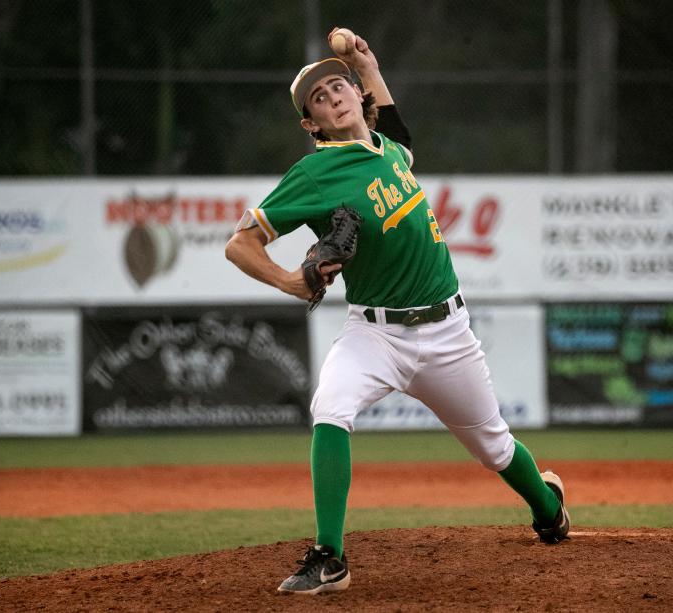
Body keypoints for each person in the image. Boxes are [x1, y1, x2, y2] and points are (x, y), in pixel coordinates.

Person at [225, 28, 569, 596]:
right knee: (331, 407)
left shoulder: (392, 152)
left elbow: (395, 127)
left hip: (448, 331)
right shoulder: (315, 174)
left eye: (339, 87)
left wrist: (368, 66)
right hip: (375, 333)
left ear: (358, 98)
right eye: (319, 98)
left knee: (495, 447)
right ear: (311, 124)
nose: (333, 96)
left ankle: (548, 508)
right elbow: (240, 243)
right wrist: (290, 280)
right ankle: (330, 557)